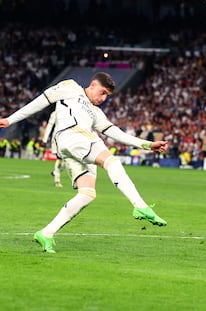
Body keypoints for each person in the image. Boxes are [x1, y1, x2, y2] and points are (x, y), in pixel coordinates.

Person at [0, 72, 169, 253]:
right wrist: (10, 119)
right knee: (110, 161)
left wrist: (147, 144)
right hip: (72, 135)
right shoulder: (70, 87)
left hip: (76, 145)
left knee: (87, 193)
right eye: (102, 92)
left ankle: (46, 233)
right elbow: (42, 100)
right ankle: (140, 206)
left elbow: (116, 133)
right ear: (93, 84)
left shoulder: (96, 112)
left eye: (107, 96)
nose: (103, 98)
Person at [42, 110, 65, 187]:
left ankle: (55, 172)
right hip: (57, 139)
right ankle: (57, 181)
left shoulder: (72, 111)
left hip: (68, 139)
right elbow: (50, 125)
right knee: (59, 159)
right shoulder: (55, 113)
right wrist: (45, 139)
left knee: (65, 162)